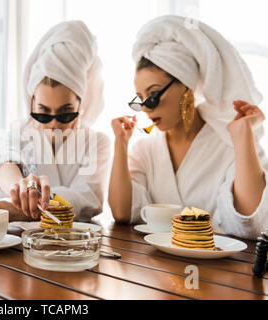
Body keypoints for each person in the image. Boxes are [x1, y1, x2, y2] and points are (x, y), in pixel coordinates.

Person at [108, 15, 268, 239]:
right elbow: (122, 213)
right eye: (140, 99)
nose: (145, 108)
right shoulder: (145, 149)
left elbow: (253, 223)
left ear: (186, 86)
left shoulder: (228, 144)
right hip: (154, 268)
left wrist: (243, 137)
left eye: (153, 96)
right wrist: (120, 144)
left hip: (221, 270)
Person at [0, 20, 111, 222]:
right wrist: (20, 189)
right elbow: (4, 161)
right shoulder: (20, 131)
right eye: (43, 113)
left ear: (80, 103)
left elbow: (87, 198)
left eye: (66, 113)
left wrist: (28, 210)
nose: (54, 124)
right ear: (32, 102)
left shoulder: (97, 142)